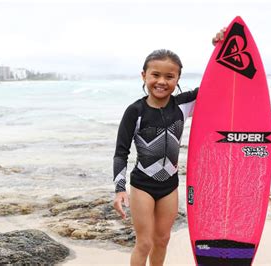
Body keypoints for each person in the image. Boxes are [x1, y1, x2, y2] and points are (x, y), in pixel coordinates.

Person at [112, 28, 227, 266]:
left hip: (169, 186)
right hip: (143, 185)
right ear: (144, 75)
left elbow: (217, 83)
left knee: (163, 240)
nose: (162, 82)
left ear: (177, 79)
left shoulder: (183, 105)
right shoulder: (135, 112)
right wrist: (120, 189)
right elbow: (121, 152)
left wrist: (220, 47)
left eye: (169, 76)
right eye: (155, 75)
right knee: (144, 243)